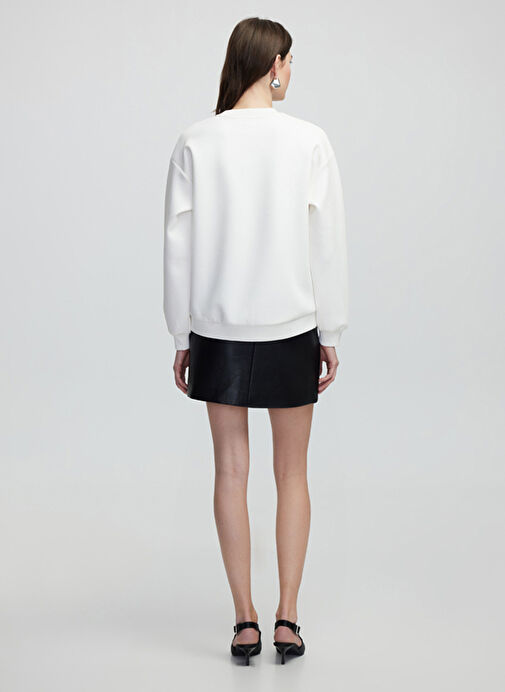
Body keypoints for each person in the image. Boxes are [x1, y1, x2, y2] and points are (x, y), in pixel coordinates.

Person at [163, 17, 348, 665]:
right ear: (273, 64)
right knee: (291, 472)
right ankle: (286, 618)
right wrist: (330, 328)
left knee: (230, 471)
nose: (291, 72)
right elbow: (326, 241)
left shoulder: (195, 140)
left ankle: (244, 621)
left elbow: (177, 246)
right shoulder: (308, 141)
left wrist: (181, 332)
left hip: (216, 327)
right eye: (289, 61)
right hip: (290, 325)